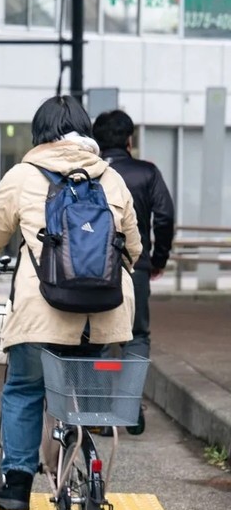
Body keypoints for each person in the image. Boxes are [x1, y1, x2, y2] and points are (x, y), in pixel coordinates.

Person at [0, 95, 142, 510]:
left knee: (24, 387)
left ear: (40, 133)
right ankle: (84, 452)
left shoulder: (22, 176)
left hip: (42, 312)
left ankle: (17, 483)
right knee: (85, 382)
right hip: (103, 312)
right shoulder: (111, 179)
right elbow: (133, 249)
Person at [93, 109, 175, 435]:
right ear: (130, 140)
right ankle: (128, 408)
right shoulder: (147, 173)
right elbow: (165, 216)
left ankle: (97, 413)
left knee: (97, 336)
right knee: (136, 336)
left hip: (93, 270)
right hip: (136, 266)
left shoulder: (89, 171)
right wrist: (159, 259)